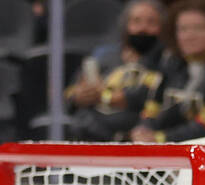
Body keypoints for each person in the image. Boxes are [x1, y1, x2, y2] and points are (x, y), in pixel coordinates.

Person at [130, 0, 205, 143]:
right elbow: (151, 110)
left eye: (198, 28)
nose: (189, 36)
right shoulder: (170, 65)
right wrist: (143, 130)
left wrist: (161, 139)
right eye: (183, 29)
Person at [64, 0, 167, 141]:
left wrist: (103, 96)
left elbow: (137, 98)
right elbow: (71, 91)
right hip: (89, 133)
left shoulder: (167, 61)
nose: (143, 28)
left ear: (162, 27)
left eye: (151, 22)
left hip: (134, 136)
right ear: (125, 25)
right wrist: (77, 96)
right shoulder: (104, 56)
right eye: (136, 21)